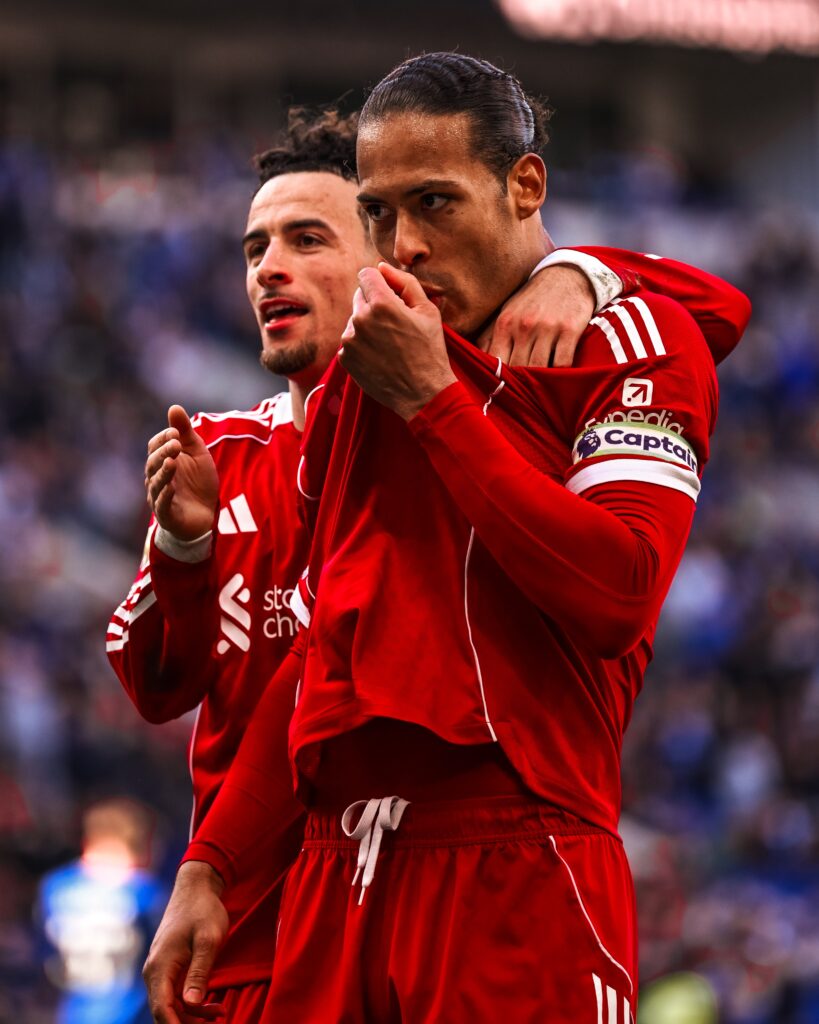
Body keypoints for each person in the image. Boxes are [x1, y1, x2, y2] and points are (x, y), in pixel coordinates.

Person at [145, 54, 753, 1024]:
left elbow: (618, 592)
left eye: (434, 203)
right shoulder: (359, 379)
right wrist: (209, 865)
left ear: (525, 185)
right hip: (337, 870)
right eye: (379, 214)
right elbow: (323, 647)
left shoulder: (626, 338)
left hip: (519, 852)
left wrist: (439, 398)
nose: (407, 247)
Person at [37, 799, 167, 1024]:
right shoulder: (144, 893)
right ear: (141, 843)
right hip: (132, 1014)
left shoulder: (55, 888)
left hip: (74, 1013)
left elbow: (45, 954)